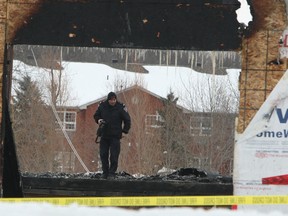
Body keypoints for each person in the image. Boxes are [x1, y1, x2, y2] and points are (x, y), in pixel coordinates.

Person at [93, 92, 131, 179]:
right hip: (104, 134)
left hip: (115, 135)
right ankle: (105, 172)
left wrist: (125, 131)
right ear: (108, 100)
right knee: (103, 154)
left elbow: (127, 120)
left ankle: (112, 173)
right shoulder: (102, 106)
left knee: (114, 155)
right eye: (111, 100)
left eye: (114, 100)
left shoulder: (120, 107)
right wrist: (99, 120)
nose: (113, 102)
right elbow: (96, 115)